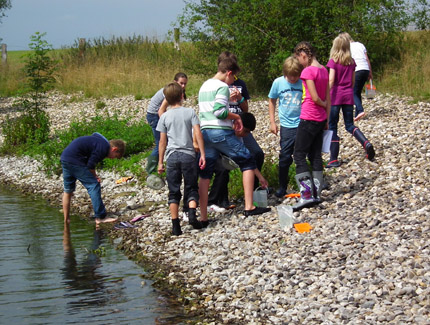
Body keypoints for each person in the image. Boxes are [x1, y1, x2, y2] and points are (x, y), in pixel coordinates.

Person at [198, 57, 270, 226]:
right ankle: (249, 206)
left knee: (205, 173)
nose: (233, 82)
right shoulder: (222, 86)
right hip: (220, 131)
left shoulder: (204, 85)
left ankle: (203, 217)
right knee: (247, 159)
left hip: (205, 132)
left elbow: (207, 111)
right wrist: (237, 116)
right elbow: (220, 112)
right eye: (233, 78)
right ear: (229, 73)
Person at [157, 82, 206, 236]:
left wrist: (160, 162)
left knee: (173, 191)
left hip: (171, 157)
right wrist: (203, 154)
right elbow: (198, 134)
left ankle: (175, 226)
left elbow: (162, 142)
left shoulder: (164, 116)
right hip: (188, 156)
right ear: (181, 96)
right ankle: (192, 215)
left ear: (167, 99)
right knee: (191, 187)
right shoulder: (190, 112)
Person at [326, 35, 375, 168]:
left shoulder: (333, 61)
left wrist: (325, 94)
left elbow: (331, 80)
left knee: (332, 126)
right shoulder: (351, 62)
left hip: (335, 96)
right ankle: (366, 143)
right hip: (348, 96)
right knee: (349, 125)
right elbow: (353, 82)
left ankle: (333, 159)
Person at [293, 41, 330, 211]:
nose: (299, 63)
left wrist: (320, 104)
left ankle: (306, 195)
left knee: (299, 154)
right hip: (321, 119)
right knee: (315, 155)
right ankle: (317, 193)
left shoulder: (308, 71)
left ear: (303, 55)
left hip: (309, 116)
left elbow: (315, 98)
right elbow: (328, 97)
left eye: (299, 59)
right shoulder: (324, 70)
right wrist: (327, 117)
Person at [61, 133, 126, 224]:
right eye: (115, 156)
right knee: (94, 185)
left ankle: (66, 219)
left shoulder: (101, 142)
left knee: (68, 191)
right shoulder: (104, 148)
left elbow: (95, 134)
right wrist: (95, 176)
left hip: (65, 158)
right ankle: (100, 217)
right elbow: (90, 165)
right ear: (114, 149)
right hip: (75, 160)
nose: (111, 158)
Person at [268, 56, 303, 198]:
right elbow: (272, 101)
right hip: (287, 126)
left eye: (296, 75)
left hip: (302, 124)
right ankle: (282, 186)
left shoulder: (304, 82)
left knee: (301, 156)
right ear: (285, 73)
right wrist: (272, 121)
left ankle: (305, 185)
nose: (293, 79)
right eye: (290, 76)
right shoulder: (278, 83)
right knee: (285, 157)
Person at [145, 72, 188, 174]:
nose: (183, 86)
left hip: (156, 114)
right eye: (181, 83)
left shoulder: (176, 91)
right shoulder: (169, 91)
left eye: (185, 84)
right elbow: (161, 110)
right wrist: (166, 125)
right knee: (161, 142)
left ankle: (164, 166)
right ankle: (150, 171)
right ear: (175, 82)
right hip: (154, 115)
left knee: (165, 141)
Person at [340, 32, 372, 121]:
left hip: (357, 69)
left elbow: (347, 61)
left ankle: (360, 109)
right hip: (365, 69)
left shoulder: (347, 48)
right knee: (357, 91)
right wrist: (370, 72)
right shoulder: (360, 45)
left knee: (353, 91)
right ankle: (358, 113)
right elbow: (366, 59)